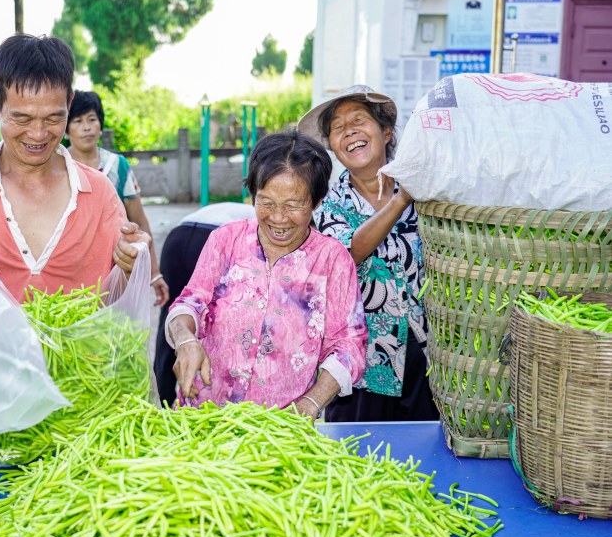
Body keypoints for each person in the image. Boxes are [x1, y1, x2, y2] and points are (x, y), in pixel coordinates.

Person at [0, 33, 150, 307]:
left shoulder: (99, 191)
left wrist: (131, 265)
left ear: (69, 103)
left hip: (84, 352)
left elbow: (117, 299)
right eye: (22, 118)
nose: (38, 134)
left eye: (54, 118)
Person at [165, 131, 368, 420]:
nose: (278, 218)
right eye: (267, 202)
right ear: (252, 194)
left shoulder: (332, 260)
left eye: (293, 205)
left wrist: (311, 402)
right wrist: (185, 340)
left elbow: (349, 345)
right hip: (202, 416)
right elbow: (189, 303)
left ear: (317, 201)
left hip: (280, 428)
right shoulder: (226, 240)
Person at [298, 84, 440, 422]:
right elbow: (348, 253)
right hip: (361, 365)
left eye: (359, 121)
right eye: (338, 128)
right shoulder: (328, 207)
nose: (349, 132)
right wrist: (400, 200)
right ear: (333, 146)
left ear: (386, 131)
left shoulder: (428, 195)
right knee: (358, 455)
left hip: (428, 359)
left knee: (426, 460)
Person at [65, 90, 169, 306]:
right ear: (66, 130)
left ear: (100, 125)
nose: (86, 127)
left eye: (92, 119)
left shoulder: (117, 166)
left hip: (116, 270)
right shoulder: (57, 166)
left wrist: (155, 272)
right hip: (68, 270)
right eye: (77, 121)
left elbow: (140, 221)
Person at [153, 202, 255, 406]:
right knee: (209, 315)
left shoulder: (248, 208)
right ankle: (199, 385)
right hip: (208, 238)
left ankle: (162, 398)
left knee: (172, 315)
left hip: (177, 237)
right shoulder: (264, 221)